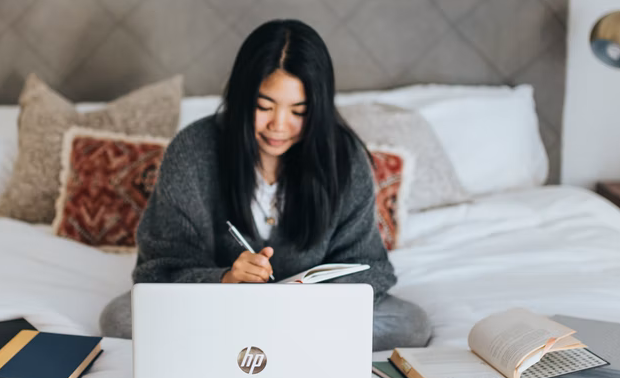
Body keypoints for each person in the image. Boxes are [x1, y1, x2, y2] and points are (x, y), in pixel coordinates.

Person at [99, 19, 432, 351]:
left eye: (299, 111)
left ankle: (247, 343)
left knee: (411, 324)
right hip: (217, 305)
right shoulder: (192, 151)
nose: (279, 125)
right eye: (264, 106)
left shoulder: (343, 159)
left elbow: (371, 268)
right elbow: (158, 271)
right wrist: (225, 279)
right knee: (120, 318)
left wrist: (310, 299)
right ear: (242, 98)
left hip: (309, 314)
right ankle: (283, 344)